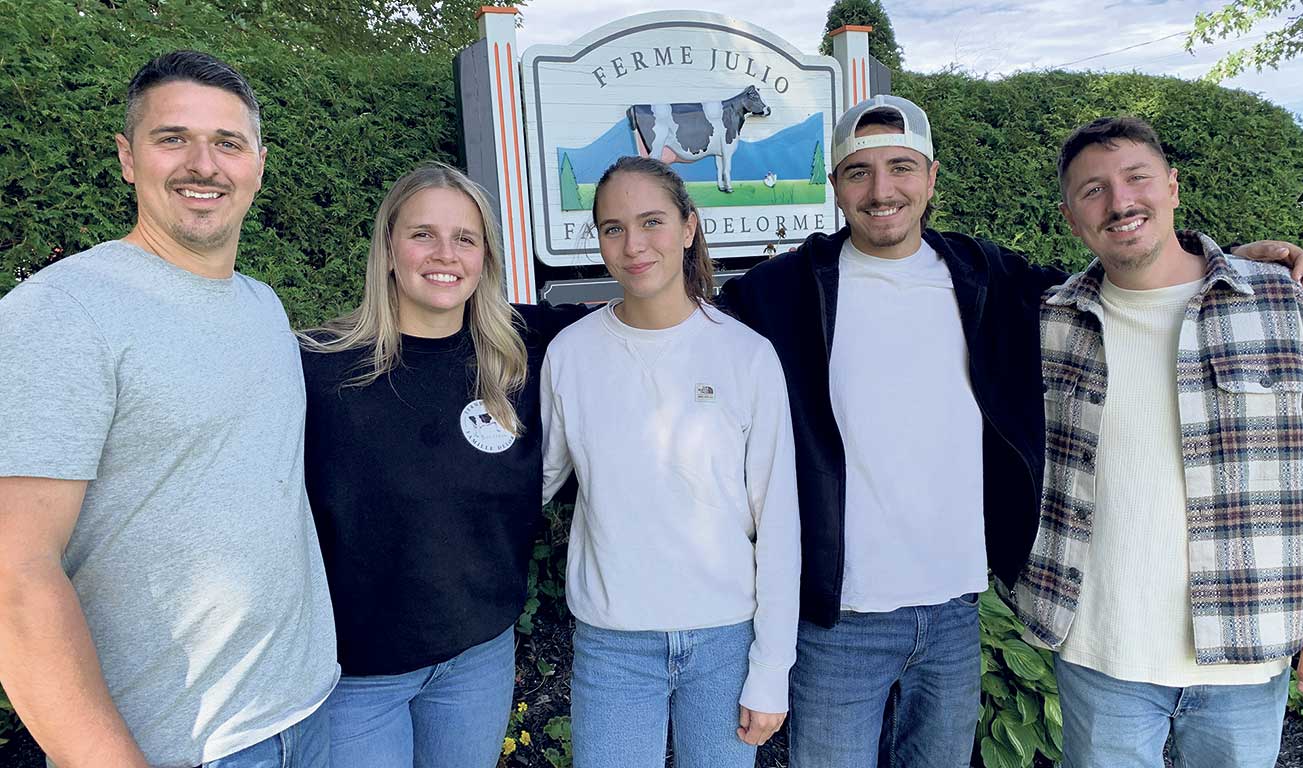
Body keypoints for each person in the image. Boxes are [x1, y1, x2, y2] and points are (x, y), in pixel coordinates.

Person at [716, 94, 1303, 767]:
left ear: (932, 177)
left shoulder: (988, 278)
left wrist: (1229, 263)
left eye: (901, 167)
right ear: (836, 187)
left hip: (953, 612)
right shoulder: (777, 294)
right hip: (835, 615)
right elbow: (681, 334)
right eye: (859, 173)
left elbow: (1132, 282)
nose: (882, 190)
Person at [0, 50, 337, 768]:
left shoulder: (262, 306)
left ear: (259, 164)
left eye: (227, 142)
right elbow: (14, 577)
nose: (203, 164)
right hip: (179, 747)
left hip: (309, 712)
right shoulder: (60, 313)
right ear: (127, 158)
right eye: (172, 138)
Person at [1006, 115, 1303, 767]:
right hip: (1098, 654)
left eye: (1137, 177)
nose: (1120, 201)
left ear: (1172, 187)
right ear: (1070, 217)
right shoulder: (1047, 325)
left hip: (1247, 656)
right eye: (1093, 190)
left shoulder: (1287, 309)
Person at [299, 161, 585, 768]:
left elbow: (648, 313)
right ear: (388, 248)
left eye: (465, 237)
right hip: (356, 678)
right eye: (422, 233)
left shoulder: (523, 351)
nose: (444, 253)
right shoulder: (317, 369)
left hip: (477, 658)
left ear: (485, 255)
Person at [540, 156, 801, 768]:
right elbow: (530, 485)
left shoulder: (747, 356)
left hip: (725, 642)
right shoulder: (571, 355)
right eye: (613, 228)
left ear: (688, 227)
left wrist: (771, 668)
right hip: (613, 647)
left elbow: (781, 523)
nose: (634, 245)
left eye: (652, 221)